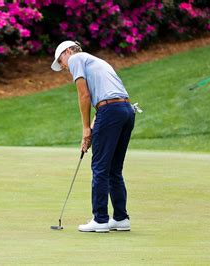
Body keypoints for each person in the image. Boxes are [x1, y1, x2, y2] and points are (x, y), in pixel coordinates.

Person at [51, 40, 134, 233]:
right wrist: (95, 124)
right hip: (125, 110)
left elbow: (84, 96)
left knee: (99, 167)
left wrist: (86, 129)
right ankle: (121, 218)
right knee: (114, 168)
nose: (64, 66)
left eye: (61, 60)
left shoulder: (76, 58)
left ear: (68, 51)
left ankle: (100, 219)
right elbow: (105, 97)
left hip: (111, 110)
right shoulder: (96, 61)